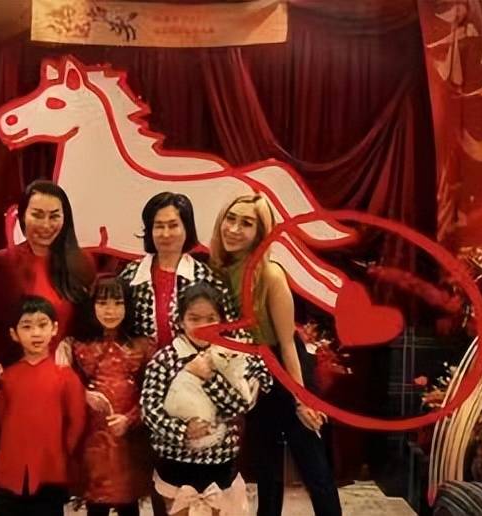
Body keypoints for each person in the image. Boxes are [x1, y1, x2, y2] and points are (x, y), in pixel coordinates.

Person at [209, 193, 342, 516]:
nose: (234, 229)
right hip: (253, 374)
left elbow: (287, 344)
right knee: (266, 468)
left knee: (313, 466)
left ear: (260, 233)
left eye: (246, 223)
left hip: (287, 369)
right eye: (230, 219)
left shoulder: (271, 275)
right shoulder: (218, 271)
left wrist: (301, 400)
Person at [0, 180, 94, 440]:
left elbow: (88, 326)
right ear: (22, 216)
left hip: (65, 385)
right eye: (37, 215)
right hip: (17, 387)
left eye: (54, 216)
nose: (46, 224)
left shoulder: (82, 264)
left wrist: (71, 343)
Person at [141, 283, 271, 516]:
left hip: (220, 468)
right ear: (181, 321)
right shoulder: (164, 359)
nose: (203, 326)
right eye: (194, 319)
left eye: (211, 319)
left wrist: (209, 377)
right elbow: (150, 409)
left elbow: (240, 405)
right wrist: (182, 430)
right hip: (175, 467)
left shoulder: (232, 354)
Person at [0, 296, 86, 516]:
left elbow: (77, 422)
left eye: (42, 325)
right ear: (14, 334)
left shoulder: (65, 377)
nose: (36, 333)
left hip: (50, 470)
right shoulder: (7, 377)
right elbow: (1, 419)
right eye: (27, 326)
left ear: (54, 328)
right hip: (10, 468)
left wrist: (61, 454)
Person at [119, 192, 244, 355]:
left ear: (187, 229)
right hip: (138, 367)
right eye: (159, 226)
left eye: (173, 226)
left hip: (196, 366)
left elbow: (234, 332)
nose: (166, 234)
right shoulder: (131, 274)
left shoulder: (206, 277)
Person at [69, 274, 153, 516]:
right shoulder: (78, 347)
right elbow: (65, 389)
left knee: (129, 503)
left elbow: (152, 394)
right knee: (96, 503)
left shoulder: (143, 347)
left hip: (130, 441)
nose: (110, 310)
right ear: (92, 306)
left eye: (118, 303)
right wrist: (83, 394)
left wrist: (130, 418)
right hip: (92, 442)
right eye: (103, 303)